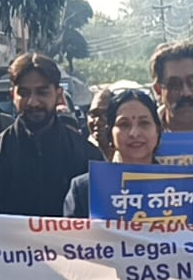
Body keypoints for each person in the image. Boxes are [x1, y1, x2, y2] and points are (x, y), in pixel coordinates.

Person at [0, 52, 104, 216]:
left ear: (58, 95)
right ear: (12, 95)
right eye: (24, 93)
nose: (33, 102)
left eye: (42, 92)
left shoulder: (88, 157)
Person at [64, 88, 165, 220]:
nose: (134, 133)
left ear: (158, 130)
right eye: (124, 124)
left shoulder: (180, 187)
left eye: (144, 123)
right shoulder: (85, 190)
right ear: (110, 133)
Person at [87, 86, 117, 160]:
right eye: (93, 114)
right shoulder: (82, 152)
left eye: (104, 114)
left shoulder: (129, 153)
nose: (97, 121)